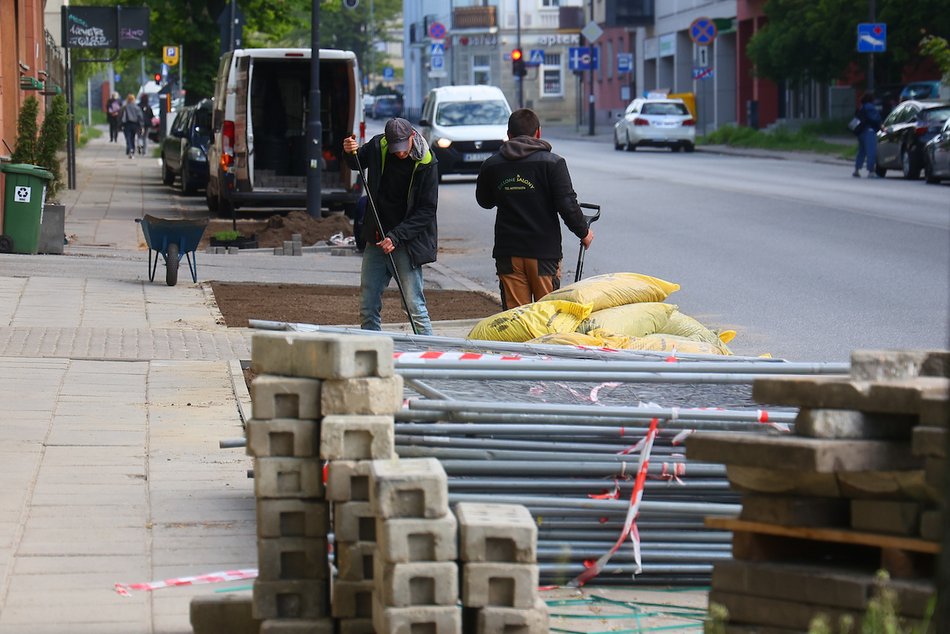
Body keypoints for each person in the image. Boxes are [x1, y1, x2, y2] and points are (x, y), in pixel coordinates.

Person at [475, 108, 594, 309]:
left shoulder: (492, 165)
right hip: (543, 252)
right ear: (538, 132)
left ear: (509, 135)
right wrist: (583, 232)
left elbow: (484, 201)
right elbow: (566, 203)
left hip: (508, 251)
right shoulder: (553, 163)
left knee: (516, 319)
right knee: (546, 315)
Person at [342, 118, 439, 336]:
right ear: (388, 140)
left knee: (414, 306)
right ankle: (372, 349)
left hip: (405, 244)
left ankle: (430, 353)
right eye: (396, 148)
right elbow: (355, 162)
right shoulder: (378, 146)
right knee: (367, 306)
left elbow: (426, 211)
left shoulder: (427, 162)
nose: (400, 153)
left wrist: (396, 237)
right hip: (376, 239)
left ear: (412, 137)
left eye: (403, 148)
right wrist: (349, 151)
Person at [853, 92, 883, 178]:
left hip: (861, 132)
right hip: (869, 131)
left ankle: (857, 169)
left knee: (861, 151)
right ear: (871, 100)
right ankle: (871, 171)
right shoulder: (870, 108)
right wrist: (881, 126)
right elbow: (875, 119)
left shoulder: (862, 107)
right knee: (871, 151)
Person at [119, 94, 144, 158]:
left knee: (128, 138)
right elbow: (140, 117)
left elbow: (121, 116)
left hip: (127, 124)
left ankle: (130, 149)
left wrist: (120, 125)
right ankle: (132, 150)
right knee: (132, 138)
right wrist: (141, 126)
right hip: (135, 124)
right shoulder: (137, 107)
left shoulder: (125, 107)